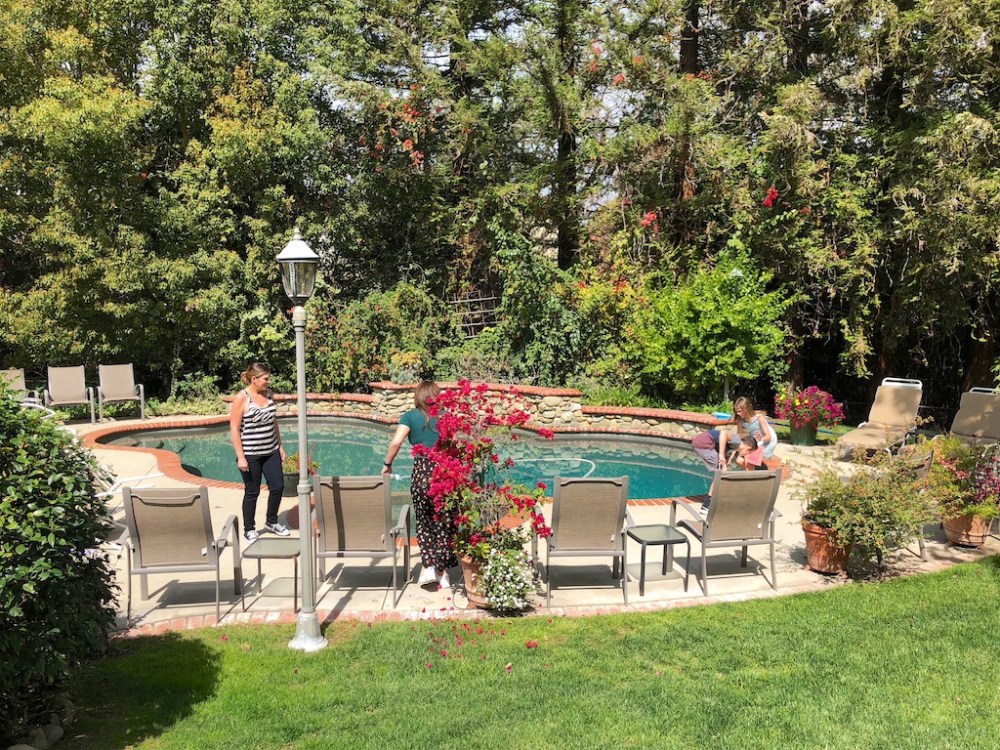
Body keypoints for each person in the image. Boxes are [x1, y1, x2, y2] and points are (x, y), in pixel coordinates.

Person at [382, 380, 456, 590]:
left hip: (422, 474)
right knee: (445, 522)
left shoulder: (410, 416)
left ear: (418, 396)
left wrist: (387, 464)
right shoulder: (446, 416)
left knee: (424, 521)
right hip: (445, 473)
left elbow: (396, 442)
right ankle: (443, 574)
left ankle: (429, 567)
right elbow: (456, 444)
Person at [229, 363, 289, 542]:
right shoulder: (242, 398)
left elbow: (273, 421)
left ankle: (272, 521)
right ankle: (249, 529)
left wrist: (279, 445)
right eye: (265, 378)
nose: (268, 381)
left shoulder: (268, 394)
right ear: (254, 379)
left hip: (271, 451)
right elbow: (234, 428)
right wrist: (241, 457)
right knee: (252, 491)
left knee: (278, 487)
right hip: (251, 454)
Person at [690, 429, 757, 513]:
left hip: (703, 443)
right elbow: (723, 433)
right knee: (720, 473)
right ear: (748, 449)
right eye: (749, 454)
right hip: (704, 444)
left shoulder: (737, 445)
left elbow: (735, 457)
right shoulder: (737, 440)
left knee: (721, 472)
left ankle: (711, 501)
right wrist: (721, 455)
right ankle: (707, 504)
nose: (747, 456)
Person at [733, 396, 778, 461]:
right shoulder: (740, 420)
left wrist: (759, 439)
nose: (738, 413)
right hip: (756, 439)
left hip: (767, 440)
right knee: (744, 454)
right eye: (737, 411)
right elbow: (739, 435)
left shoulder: (759, 418)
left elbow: (768, 437)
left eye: (740, 411)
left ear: (746, 409)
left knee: (752, 457)